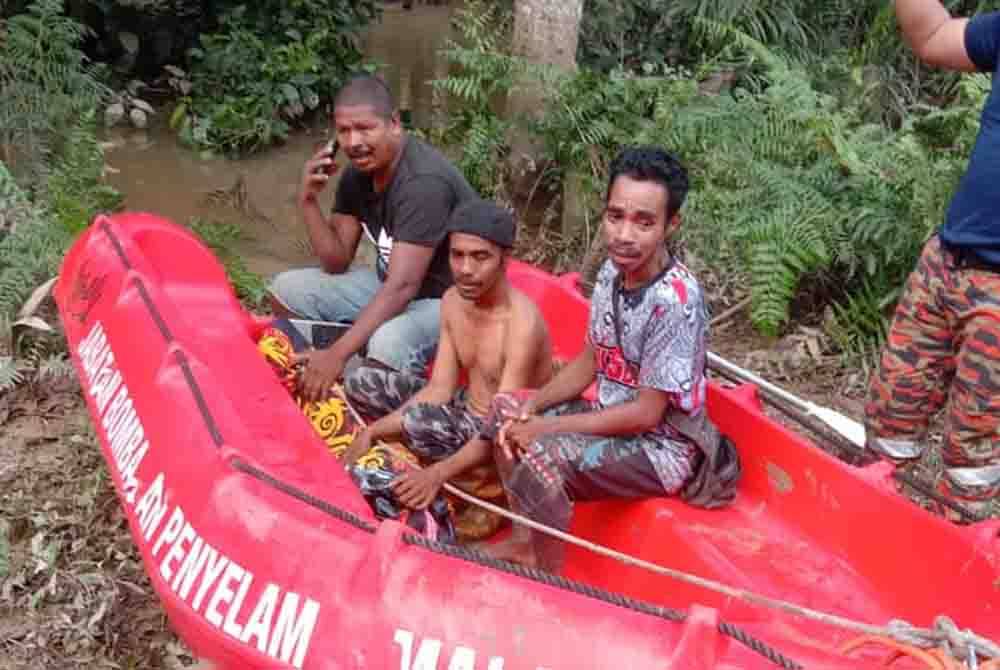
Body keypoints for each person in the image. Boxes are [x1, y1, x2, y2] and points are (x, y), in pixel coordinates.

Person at [494, 146, 739, 571]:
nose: (624, 234)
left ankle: (548, 575)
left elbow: (646, 415)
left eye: (644, 222)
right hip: (610, 419)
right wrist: (533, 406)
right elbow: (593, 357)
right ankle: (523, 537)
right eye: (615, 216)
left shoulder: (675, 300)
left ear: (670, 224)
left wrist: (547, 427)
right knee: (506, 409)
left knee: (542, 454)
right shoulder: (612, 272)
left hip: (660, 448)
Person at [342, 198, 555, 540]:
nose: (466, 269)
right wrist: (372, 432)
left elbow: (504, 426)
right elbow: (439, 388)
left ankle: (485, 495)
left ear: (505, 259)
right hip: (460, 409)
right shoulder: (453, 301)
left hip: (502, 440)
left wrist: (436, 474)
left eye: (480, 256)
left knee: (417, 423)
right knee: (360, 382)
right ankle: (424, 455)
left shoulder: (521, 324)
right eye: (458, 255)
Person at [866, 1, 1000, 518]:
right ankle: (867, 544)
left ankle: (952, 584)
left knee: (973, 465)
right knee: (888, 424)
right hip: (945, 264)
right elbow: (932, 35)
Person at [269, 74, 476, 402]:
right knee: (288, 288)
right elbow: (336, 261)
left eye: (365, 128)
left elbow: (402, 288)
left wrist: (337, 353)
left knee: (389, 340)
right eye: (344, 131)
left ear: (394, 123)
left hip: (454, 302)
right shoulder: (357, 174)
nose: (353, 142)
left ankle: (384, 402)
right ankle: (318, 375)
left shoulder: (423, 184)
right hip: (393, 288)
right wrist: (307, 201)